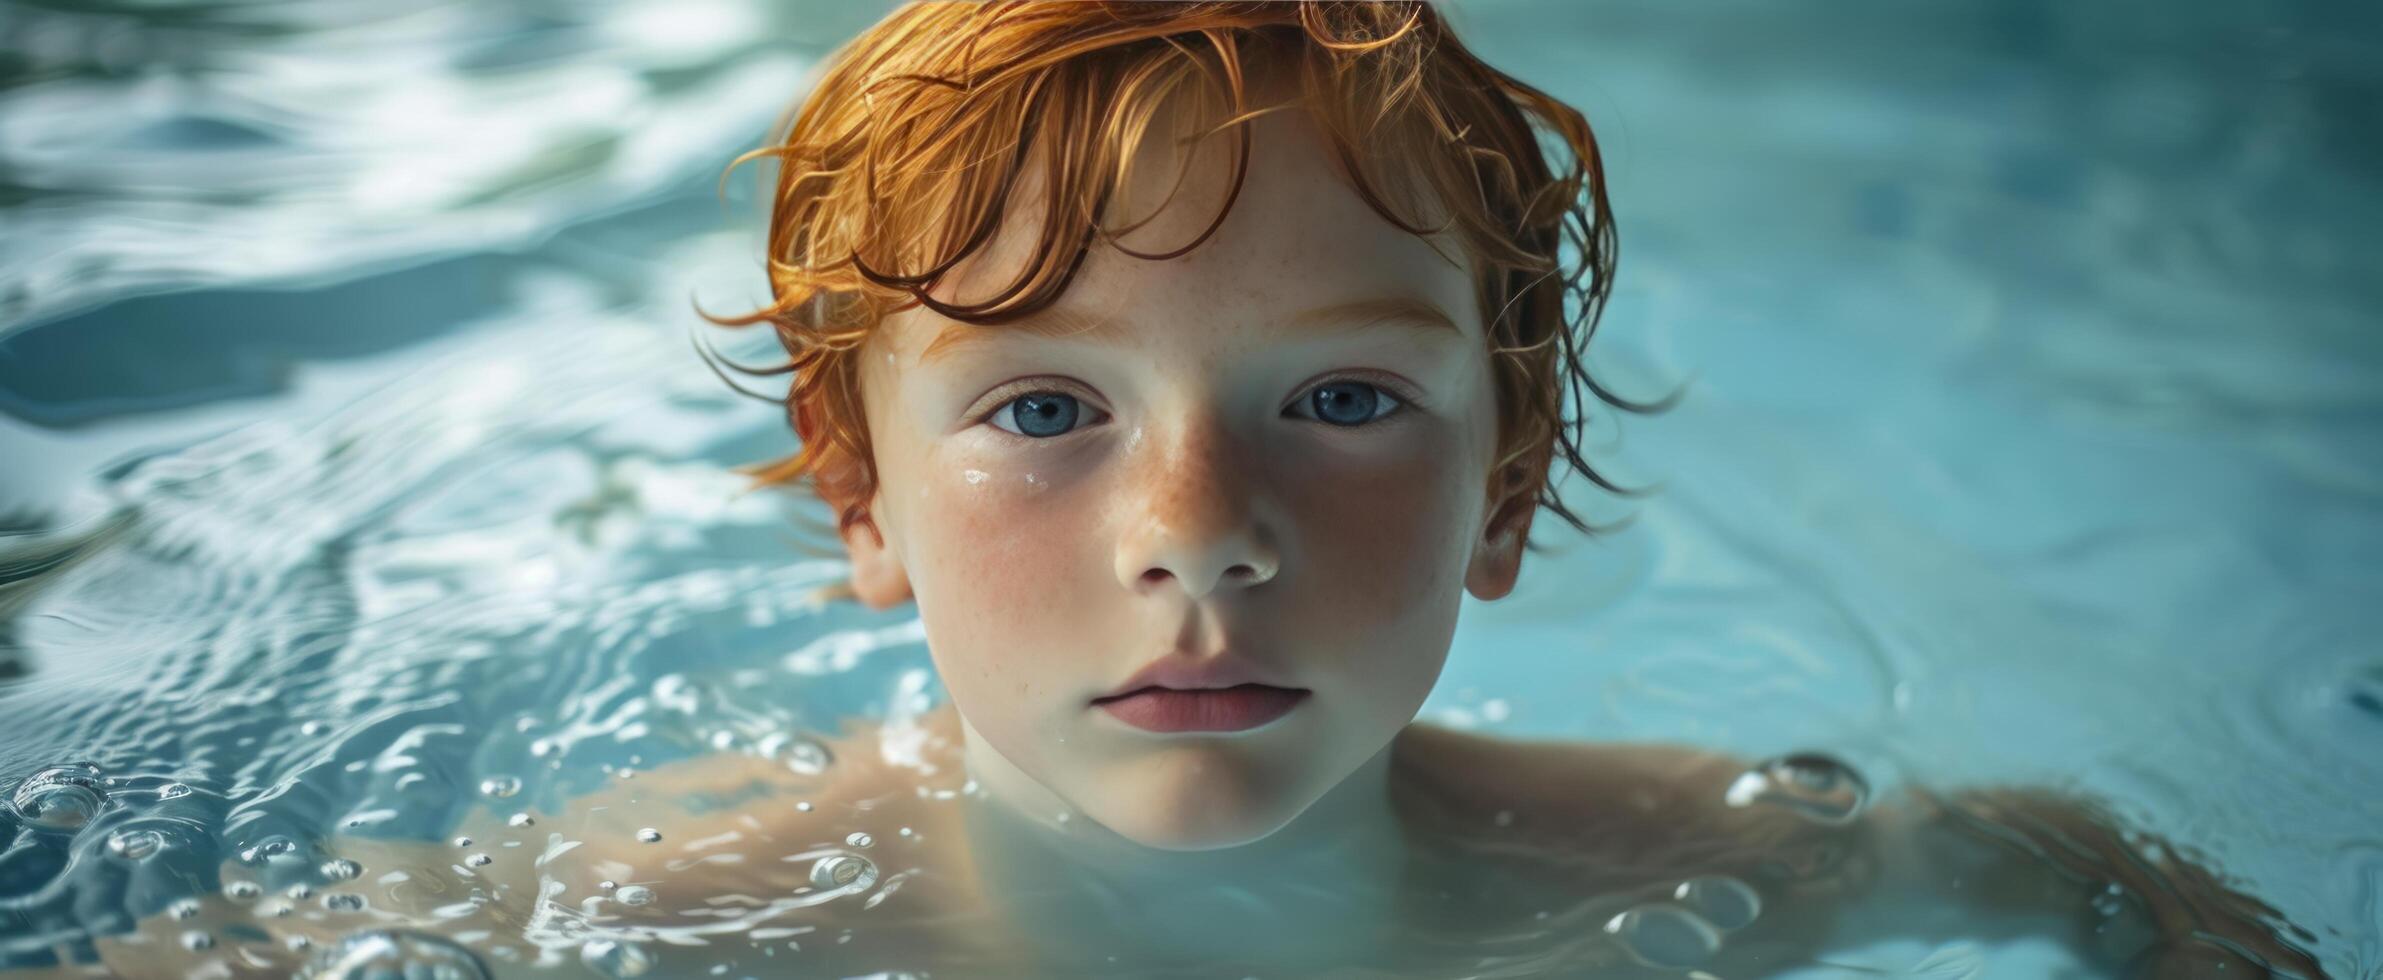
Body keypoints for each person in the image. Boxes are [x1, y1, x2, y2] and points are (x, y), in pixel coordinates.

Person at [90, 3, 2326, 977]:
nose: (1199, 524)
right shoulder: (662, 914)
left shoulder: (1674, 869)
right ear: (859, 504)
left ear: (1505, 486)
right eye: (1046, 411)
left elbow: (2080, 871)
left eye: (1342, 401)